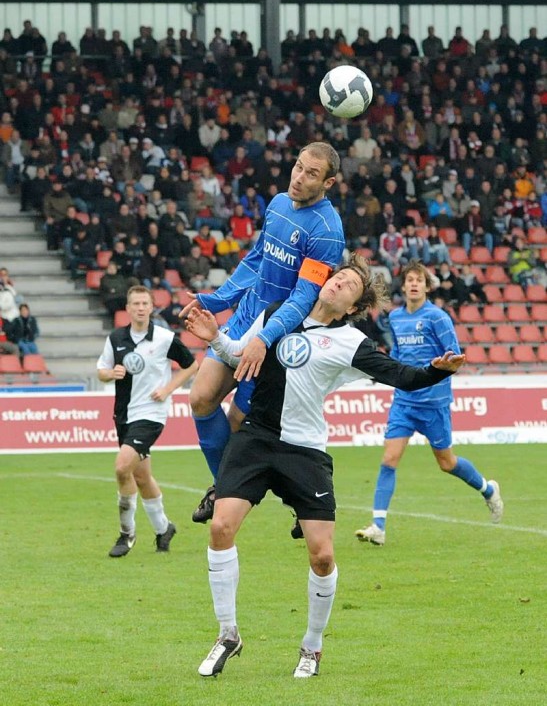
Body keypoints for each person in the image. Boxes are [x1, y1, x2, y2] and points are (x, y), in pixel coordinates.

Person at [184, 254, 465, 679]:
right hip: (257, 437)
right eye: (338, 277)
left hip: (305, 450)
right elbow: (241, 355)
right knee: (220, 526)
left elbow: (400, 376)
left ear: (354, 307)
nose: (338, 284)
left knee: (322, 555)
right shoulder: (280, 314)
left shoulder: (351, 342)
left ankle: (312, 647)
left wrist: (434, 371)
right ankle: (227, 634)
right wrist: (215, 338)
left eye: (350, 285)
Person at [179, 142, 346, 524]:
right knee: (201, 398)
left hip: (279, 336)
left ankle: (299, 499)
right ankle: (225, 486)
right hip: (245, 317)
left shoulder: (327, 231)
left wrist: (265, 339)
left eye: (311, 174)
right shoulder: (278, 204)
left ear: (329, 182)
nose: (299, 178)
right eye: (298, 167)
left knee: (242, 423)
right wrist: (216, 300)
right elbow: (255, 261)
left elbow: (305, 296)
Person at [355, 261, 503, 547]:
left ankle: (487, 489)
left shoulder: (438, 318)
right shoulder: (396, 317)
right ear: (404, 285)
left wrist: (441, 366)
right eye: (409, 279)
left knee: (447, 463)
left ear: (426, 286)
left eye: (418, 280)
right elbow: (397, 352)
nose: (413, 284)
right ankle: (378, 526)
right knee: (389, 460)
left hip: (434, 402)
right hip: (405, 401)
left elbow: (455, 359)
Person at [96, 285, 198, 557]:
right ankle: (164, 528)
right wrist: (111, 373)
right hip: (124, 415)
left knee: (121, 469)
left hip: (151, 414)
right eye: (135, 304)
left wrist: (168, 389)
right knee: (142, 476)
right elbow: (101, 372)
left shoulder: (164, 338)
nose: (140, 308)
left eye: (144, 303)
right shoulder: (116, 337)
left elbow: (191, 364)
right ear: (127, 309)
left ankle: (126, 534)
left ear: (152, 307)